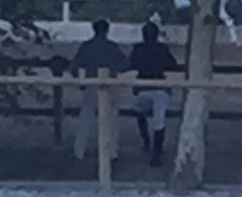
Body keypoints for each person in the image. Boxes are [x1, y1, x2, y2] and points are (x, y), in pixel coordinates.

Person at [69, 20, 122, 163]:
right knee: (110, 120)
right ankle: (111, 152)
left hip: (91, 84)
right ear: (107, 30)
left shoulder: (87, 47)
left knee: (86, 118)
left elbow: (74, 67)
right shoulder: (113, 47)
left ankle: (79, 150)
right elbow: (125, 64)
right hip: (109, 85)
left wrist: (81, 80)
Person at [129, 20, 177, 173]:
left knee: (138, 111)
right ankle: (156, 153)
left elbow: (131, 63)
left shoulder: (138, 49)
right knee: (159, 121)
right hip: (160, 87)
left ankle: (146, 141)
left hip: (143, 87)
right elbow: (172, 64)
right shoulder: (162, 49)